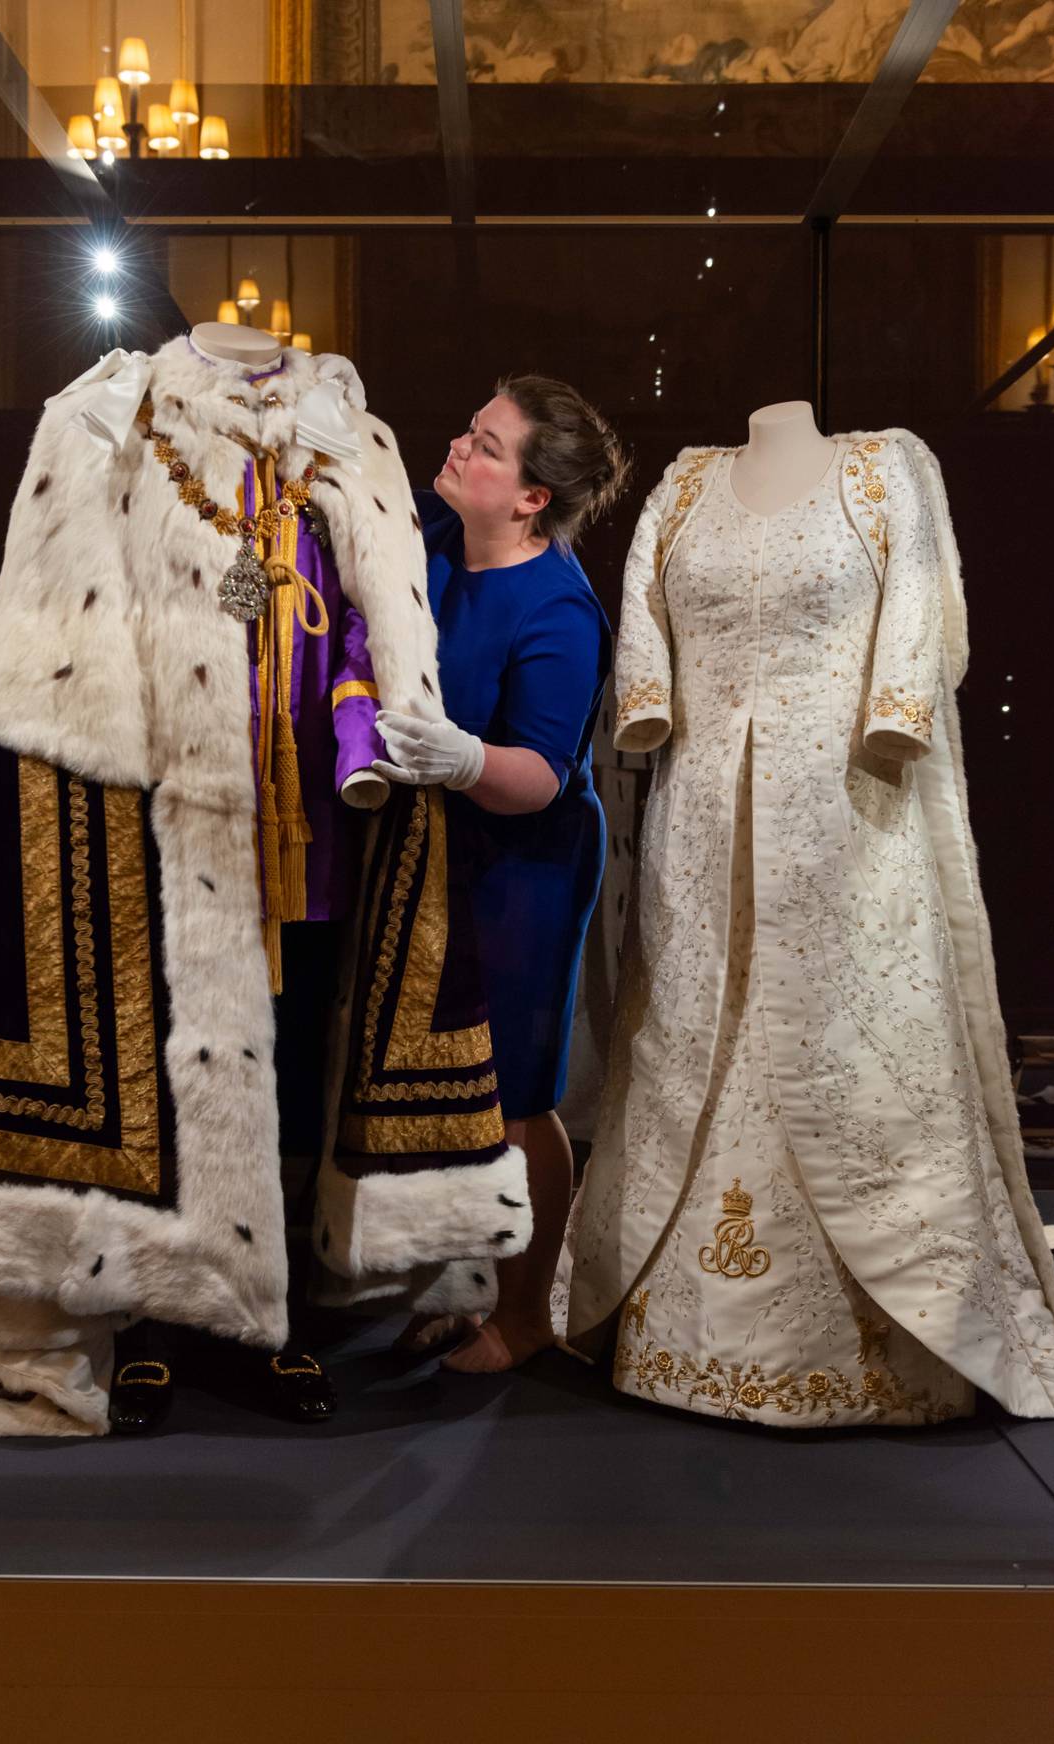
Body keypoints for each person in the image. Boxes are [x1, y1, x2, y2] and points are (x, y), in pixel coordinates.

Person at [372, 375, 627, 1372]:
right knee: (437, 1086)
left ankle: (524, 1316)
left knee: (516, 1095)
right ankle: (455, 1284)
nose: (459, 446)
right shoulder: (435, 548)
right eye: (470, 429)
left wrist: (460, 758)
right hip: (437, 845)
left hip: (525, 862)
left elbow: (537, 772)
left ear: (529, 498)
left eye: (486, 444)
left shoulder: (559, 609)